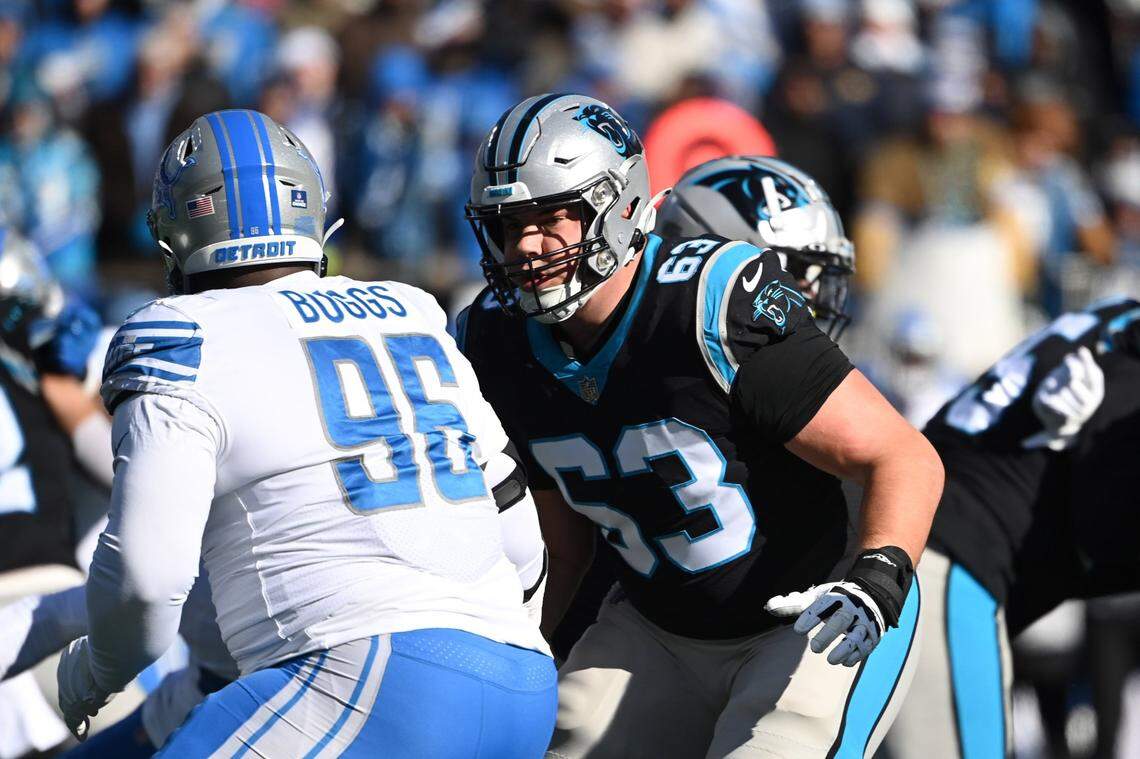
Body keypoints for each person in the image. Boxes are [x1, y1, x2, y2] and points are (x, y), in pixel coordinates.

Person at [54, 109, 556, 757]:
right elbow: (518, 530)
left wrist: (93, 673)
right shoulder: (410, 309)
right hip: (521, 680)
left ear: (177, 232)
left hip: (365, 678)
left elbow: (147, 581)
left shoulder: (176, 334)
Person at [460, 94, 943, 758]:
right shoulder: (495, 339)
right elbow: (560, 541)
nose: (525, 245)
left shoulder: (706, 305)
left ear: (617, 204)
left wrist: (877, 576)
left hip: (812, 616)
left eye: (552, 217)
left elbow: (904, 456)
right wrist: (514, 647)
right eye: (507, 224)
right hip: (658, 624)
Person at [886, 296, 1140, 759]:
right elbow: (1103, 533)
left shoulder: (1111, 316)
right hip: (950, 563)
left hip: (919, 538)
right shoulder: (1127, 370)